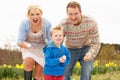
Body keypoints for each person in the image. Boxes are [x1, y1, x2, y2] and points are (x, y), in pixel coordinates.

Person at [59, 1, 101, 80]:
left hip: (86, 48)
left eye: (76, 13)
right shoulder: (63, 24)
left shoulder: (91, 22)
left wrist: (90, 53)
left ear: (80, 12)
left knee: (86, 72)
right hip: (70, 50)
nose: (73, 17)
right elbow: (58, 42)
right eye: (70, 14)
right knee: (64, 72)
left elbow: (96, 43)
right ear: (67, 13)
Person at [17, 4, 52, 80]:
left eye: (37, 14)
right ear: (28, 15)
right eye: (32, 14)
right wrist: (23, 44)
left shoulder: (47, 24)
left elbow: (49, 40)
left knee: (39, 72)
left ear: (41, 14)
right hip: (29, 46)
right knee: (28, 61)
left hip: (42, 48)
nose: (35, 17)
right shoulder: (24, 23)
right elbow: (19, 42)